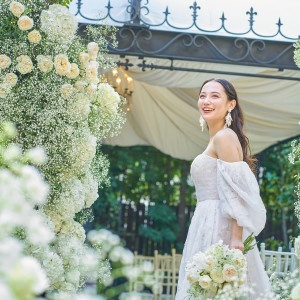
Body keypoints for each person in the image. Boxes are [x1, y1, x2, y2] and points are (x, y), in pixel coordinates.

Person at [175, 78, 271, 299]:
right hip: (205, 221)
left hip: (220, 227)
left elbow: (238, 190)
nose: (206, 101)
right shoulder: (218, 138)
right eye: (202, 96)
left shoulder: (224, 137)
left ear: (231, 105)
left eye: (215, 96)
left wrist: (236, 239)